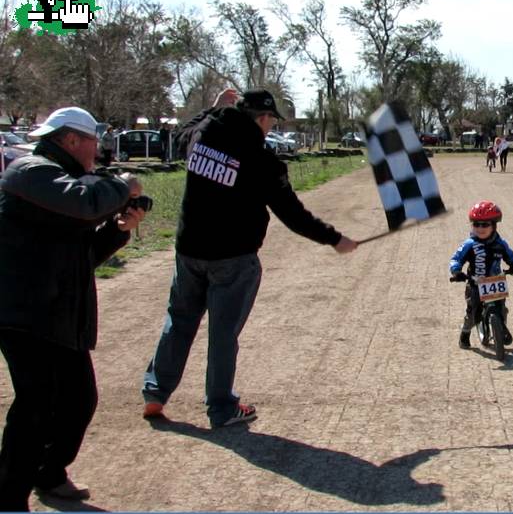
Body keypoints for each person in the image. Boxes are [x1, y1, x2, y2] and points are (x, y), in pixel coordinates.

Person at [141, 88, 358, 428]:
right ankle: (221, 407)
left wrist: (213, 109)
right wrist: (334, 239)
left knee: (179, 320)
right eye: (271, 121)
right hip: (234, 258)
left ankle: (155, 392)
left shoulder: (203, 133)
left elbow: (183, 131)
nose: (271, 127)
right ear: (263, 118)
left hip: (190, 251)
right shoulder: (262, 160)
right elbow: (292, 214)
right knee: (223, 333)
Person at [0, 107, 146, 511]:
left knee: (78, 400)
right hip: (24, 313)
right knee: (35, 407)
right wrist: (124, 185)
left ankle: (49, 473)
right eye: (93, 141)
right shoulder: (30, 171)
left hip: (57, 312)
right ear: (70, 140)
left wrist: (118, 232)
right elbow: (84, 204)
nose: (97, 149)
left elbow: (82, 252)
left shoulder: (61, 180)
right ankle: (9, 497)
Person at [449, 201, 513, 349]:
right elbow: (456, 258)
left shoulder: (500, 243)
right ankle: (465, 332)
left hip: (495, 281)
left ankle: (500, 328)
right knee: (472, 313)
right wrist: (456, 271)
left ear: (494, 225)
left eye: (485, 224)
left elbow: (510, 255)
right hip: (476, 282)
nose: (480, 228)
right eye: (476, 224)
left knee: (501, 308)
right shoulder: (469, 244)